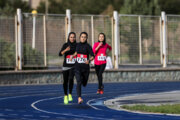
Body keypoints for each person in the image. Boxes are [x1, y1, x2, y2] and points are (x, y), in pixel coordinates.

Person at [70, 32, 94, 104]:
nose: (83, 38)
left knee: (84, 83)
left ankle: (84, 81)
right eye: (82, 37)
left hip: (85, 68)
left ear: (86, 38)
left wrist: (89, 60)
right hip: (77, 67)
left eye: (84, 37)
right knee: (79, 81)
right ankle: (79, 98)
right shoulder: (77, 45)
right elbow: (76, 52)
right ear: (80, 37)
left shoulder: (88, 46)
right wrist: (73, 56)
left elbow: (93, 56)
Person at [59, 32, 76, 104]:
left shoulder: (77, 45)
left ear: (75, 38)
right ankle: (65, 95)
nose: (72, 38)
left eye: (73, 37)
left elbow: (79, 52)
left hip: (73, 65)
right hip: (66, 65)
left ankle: (70, 94)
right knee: (65, 81)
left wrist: (74, 55)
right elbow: (60, 54)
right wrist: (66, 50)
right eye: (71, 37)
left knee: (71, 79)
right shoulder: (65, 45)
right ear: (69, 38)